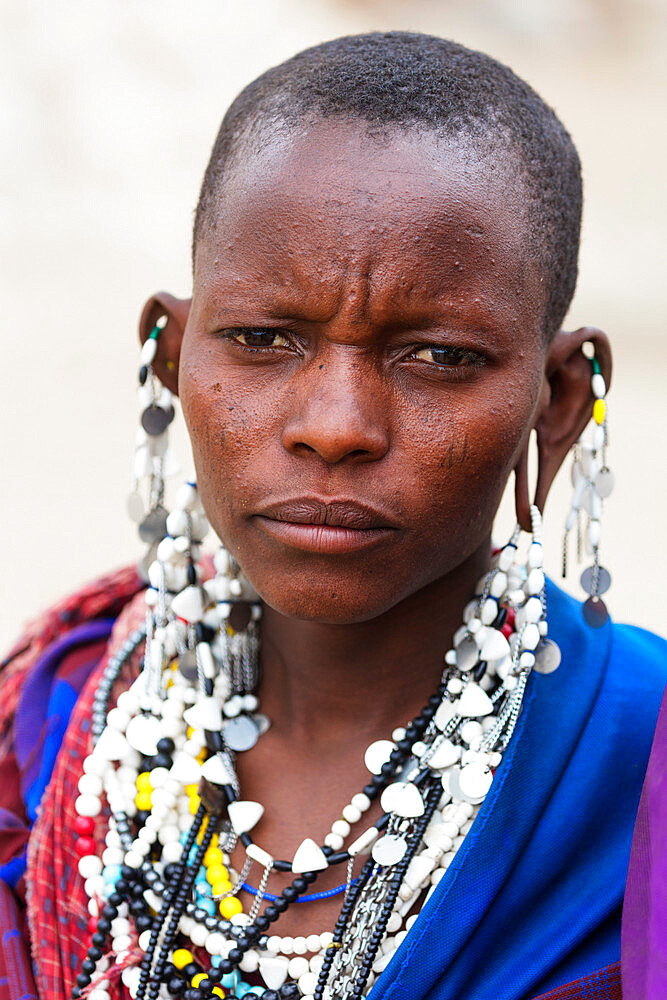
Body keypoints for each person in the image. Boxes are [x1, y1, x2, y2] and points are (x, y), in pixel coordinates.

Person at [1, 31, 665, 1000]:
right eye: (264, 339)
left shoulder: (639, 769)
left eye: (436, 355)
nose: (335, 427)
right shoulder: (47, 730)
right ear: (173, 359)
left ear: (558, 401)